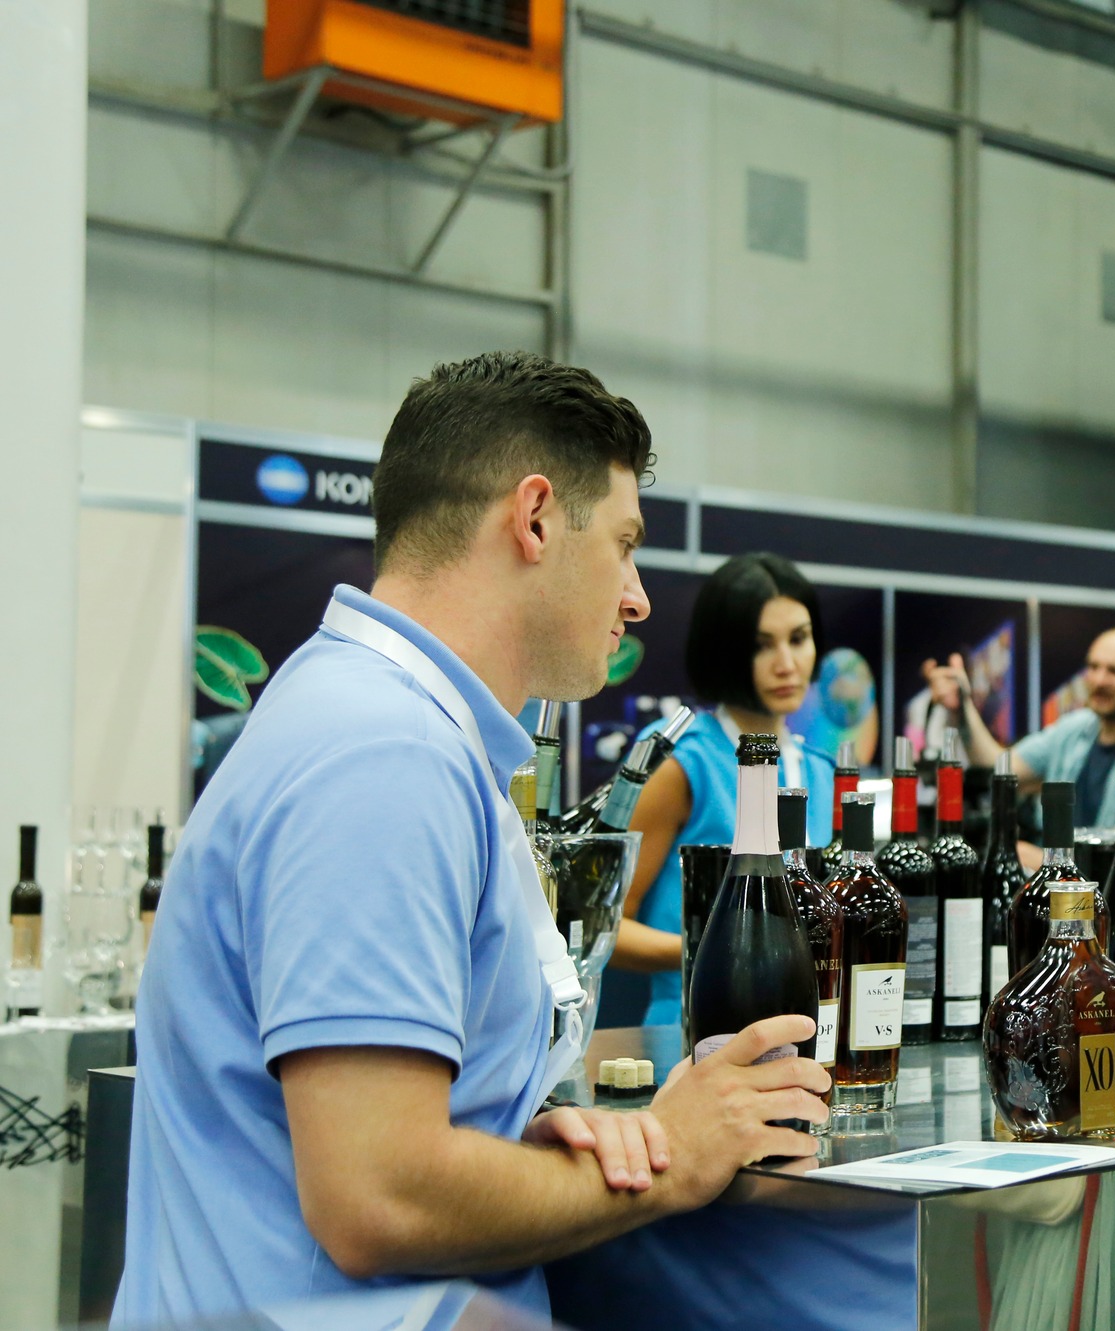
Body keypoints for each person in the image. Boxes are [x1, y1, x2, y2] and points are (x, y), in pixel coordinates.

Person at [114, 353, 830, 1326]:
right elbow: (377, 1194)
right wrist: (676, 1154)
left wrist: (512, 1147)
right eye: (623, 545)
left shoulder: (382, 723)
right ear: (534, 518)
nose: (636, 598)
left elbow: (357, 1134)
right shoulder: (384, 756)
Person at [614, 551, 836, 1026]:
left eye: (799, 639)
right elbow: (605, 926)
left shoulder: (821, 771)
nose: (786, 664)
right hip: (691, 1032)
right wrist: (724, 953)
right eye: (761, 645)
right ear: (724, 650)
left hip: (805, 1031)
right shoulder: (682, 760)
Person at [923, 625, 1115, 831]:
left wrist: (1048, 861)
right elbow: (999, 767)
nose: (1099, 680)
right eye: (1093, 667)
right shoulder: (1073, 730)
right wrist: (962, 708)